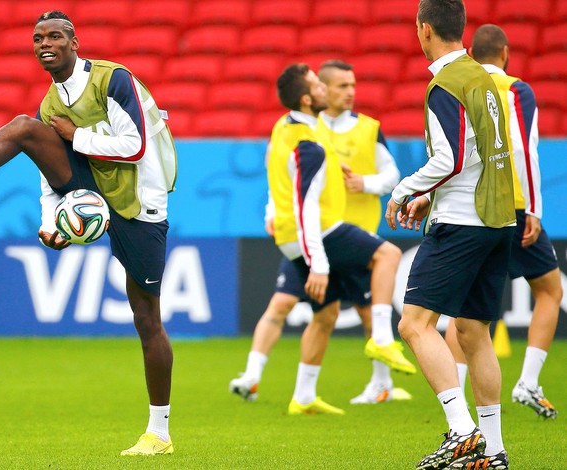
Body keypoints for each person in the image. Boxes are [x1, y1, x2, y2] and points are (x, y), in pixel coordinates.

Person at [0, 11, 177, 456]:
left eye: (56, 36)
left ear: (74, 42)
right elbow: (48, 177)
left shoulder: (113, 80)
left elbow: (135, 145)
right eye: (38, 37)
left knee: (146, 318)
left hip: (141, 201)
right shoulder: (51, 105)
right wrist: (50, 218)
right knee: (25, 128)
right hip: (92, 187)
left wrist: (75, 136)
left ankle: (159, 433)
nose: (46, 43)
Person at [230, 60, 415, 409]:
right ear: (306, 98)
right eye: (320, 86)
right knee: (388, 256)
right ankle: (382, 339)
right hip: (321, 232)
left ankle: (303, 396)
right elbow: (306, 204)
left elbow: (284, 174)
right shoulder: (310, 143)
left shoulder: (287, 127)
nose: (329, 92)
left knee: (326, 312)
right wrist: (318, 263)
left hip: (296, 235)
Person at [385, 1, 516, 469]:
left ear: (423, 29)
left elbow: (452, 158)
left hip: (462, 222)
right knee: (473, 332)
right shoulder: (484, 78)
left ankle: (462, 433)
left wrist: (404, 192)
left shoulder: (445, 84)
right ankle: (495, 451)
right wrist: (431, 197)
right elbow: (484, 153)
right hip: (498, 218)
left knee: (414, 325)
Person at [444, 23, 561, 420]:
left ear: (473, 55)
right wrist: (534, 210)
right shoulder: (515, 90)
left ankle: (455, 400)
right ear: (506, 53)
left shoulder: (462, 86)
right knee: (549, 289)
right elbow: (523, 149)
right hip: (511, 204)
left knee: (464, 310)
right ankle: (528, 381)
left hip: (469, 207)